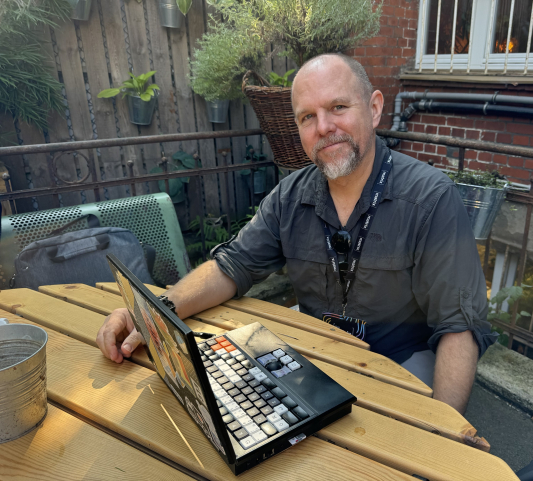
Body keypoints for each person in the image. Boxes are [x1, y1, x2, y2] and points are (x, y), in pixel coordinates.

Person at [96, 53, 496, 414]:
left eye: (338, 107)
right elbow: (231, 266)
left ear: (374, 109)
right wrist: (151, 313)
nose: (324, 128)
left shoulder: (430, 199)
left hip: (401, 359)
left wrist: (448, 437)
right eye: (308, 117)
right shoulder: (289, 197)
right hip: (317, 352)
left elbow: (459, 326)